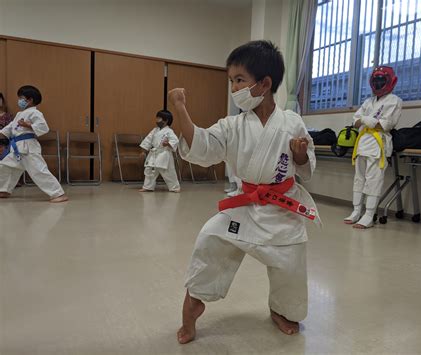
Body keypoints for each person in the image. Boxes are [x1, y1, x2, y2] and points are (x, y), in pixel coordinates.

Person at [168, 40, 319, 344]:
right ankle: (195, 301)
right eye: (231, 81)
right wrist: (180, 109)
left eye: (239, 80)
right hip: (244, 206)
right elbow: (202, 145)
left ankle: (283, 309)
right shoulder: (232, 125)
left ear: (264, 83)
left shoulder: (292, 122)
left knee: (290, 260)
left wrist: (301, 155)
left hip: (281, 206)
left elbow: (306, 165)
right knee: (211, 237)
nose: (233, 88)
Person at [344, 66, 402, 228]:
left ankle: (369, 214)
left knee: (374, 180)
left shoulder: (394, 100)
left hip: (378, 143)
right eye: (375, 80)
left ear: (391, 81)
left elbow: (385, 124)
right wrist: (366, 120)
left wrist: (364, 119)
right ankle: (356, 211)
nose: (378, 83)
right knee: (359, 178)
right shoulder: (368, 101)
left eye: (382, 80)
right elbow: (354, 121)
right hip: (362, 142)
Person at [0, 85, 67, 202]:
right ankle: (4, 189)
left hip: (29, 148)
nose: (19, 101)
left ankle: (58, 194)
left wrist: (28, 125)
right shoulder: (18, 115)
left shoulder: (35, 113)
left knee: (39, 171)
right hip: (16, 148)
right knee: (5, 167)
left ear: (29, 100)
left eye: (21, 98)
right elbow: (9, 128)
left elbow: (44, 127)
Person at [139, 110, 180, 193]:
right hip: (154, 153)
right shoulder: (155, 130)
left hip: (164, 154)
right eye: (157, 118)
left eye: (159, 118)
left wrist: (168, 143)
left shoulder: (169, 131)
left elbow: (175, 140)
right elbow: (148, 140)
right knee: (149, 170)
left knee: (168, 172)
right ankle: (148, 187)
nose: (157, 120)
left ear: (166, 120)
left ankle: (175, 187)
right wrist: (143, 151)